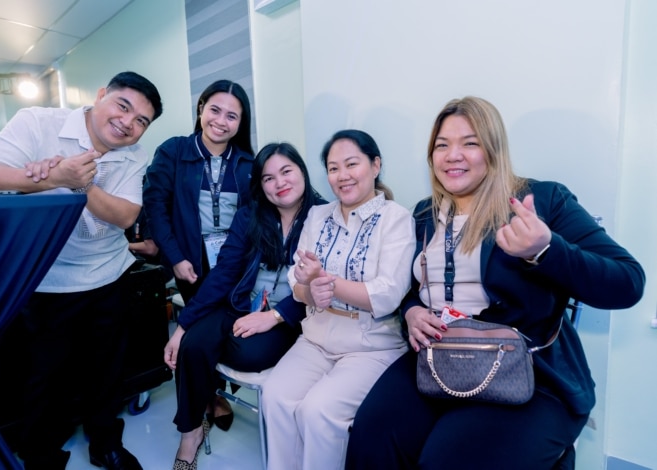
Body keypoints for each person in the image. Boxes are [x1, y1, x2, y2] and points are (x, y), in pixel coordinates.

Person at [345, 96, 646, 470]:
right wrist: (412, 312)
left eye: (469, 143)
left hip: (530, 373)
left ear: (493, 148)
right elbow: (406, 288)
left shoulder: (541, 200)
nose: (453, 155)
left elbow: (628, 282)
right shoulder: (423, 214)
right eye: (442, 145)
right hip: (441, 358)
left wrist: (546, 249)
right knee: (371, 436)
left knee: (445, 460)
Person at [0, 71, 163, 470]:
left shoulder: (134, 157)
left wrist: (80, 185)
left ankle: (106, 444)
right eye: (123, 106)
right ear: (100, 95)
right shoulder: (39, 123)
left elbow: (125, 216)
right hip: (45, 277)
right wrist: (50, 177)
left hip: (108, 274)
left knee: (108, 370)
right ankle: (42, 455)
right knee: (43, 377)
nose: (128, 123)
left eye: (141, 121)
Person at [163, 142, 326, 470]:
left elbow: (321, 288)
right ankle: (190, 433)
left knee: (247, 353)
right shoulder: (249, 216)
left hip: (290, 315)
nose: (278, 183)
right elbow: (224, 274)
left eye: (286, 171)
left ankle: (209, 394)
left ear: (302, 172)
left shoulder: (323, 217)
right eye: (268, 178)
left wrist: (274, 317)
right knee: (192, 344)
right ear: (259, 185)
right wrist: (183, 326)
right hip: (240, 304)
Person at [261, 129, 416, 470]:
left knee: (318, 412)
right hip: (316, 337)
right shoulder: (319, 215)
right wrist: (308, 287)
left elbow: (387, 295)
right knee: (274, 397)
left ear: (375, 165)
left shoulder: (396, 218)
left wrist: (325, 282)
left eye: (351, 164)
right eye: (333, 168)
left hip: (370, 345)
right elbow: (297, 283)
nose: (342, 176)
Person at [143, 79, 254, 304]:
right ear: (201, 108)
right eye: (215, 110)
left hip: (235, 262)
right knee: (199, 327)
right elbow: (155, 209)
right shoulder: (173, 151)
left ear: (240, 123)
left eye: (231, 116)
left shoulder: (248, 164)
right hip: (189, 264)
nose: (221, 121)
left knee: (231, 324)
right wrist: (175, 258)